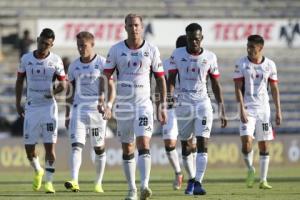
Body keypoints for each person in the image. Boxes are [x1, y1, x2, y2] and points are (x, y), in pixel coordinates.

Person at [102, 13, 167, 200]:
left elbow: (160, 79)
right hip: (123, 106)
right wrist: (104, 101)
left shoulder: (152, 50)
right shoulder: (115, 50)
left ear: (142, 26)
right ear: (125, 27)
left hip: (143, 105)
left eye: (137, 25)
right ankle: (132, 189)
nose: (134, 28)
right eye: (130, 25)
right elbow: (104, 76)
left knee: (144, 143)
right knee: (128, 148)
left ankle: (145, 185)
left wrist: (162, 105)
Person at [168, 23, 227, 196]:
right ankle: (192, 178)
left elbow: (215, 84)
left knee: (202, 142)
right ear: (186, 38)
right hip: (183, 105)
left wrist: (221, 107)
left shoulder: (210, 57)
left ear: (201, 38)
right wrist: (169, 98)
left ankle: (199, 182)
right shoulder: (177, 54)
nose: (194, 41)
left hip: (203, 104)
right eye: (190, 38)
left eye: (196, 38)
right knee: (186, 144)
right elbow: (171, 79)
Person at [15, 28, 66, 193]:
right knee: (29, 149)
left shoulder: (56, 60)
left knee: (50, 147)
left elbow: (64, 84)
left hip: (48, 108)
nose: (45, 46)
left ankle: (49, 183)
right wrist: (17, 102)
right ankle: (38, 170)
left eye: (48, 44)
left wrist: (53, 92)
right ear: (37, 40)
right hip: (31, 107)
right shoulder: (26, 59)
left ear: (52, 45)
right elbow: (19, 80)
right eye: (42, 42)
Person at [64, 31, 114, 193]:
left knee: (98, 148)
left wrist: (109, 106)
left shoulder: (102, 63)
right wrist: (67, 113)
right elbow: (69, 92)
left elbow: (112, 87)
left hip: (97, 111)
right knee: (76, 146)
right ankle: (74, 180)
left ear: (92, 45)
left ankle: (98, 183)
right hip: (79, 110)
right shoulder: (73, 66)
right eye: (78, 46)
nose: (80, 49)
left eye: (83, 46)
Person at [233, 34, 282, 189]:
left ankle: (263, 180)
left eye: (252, 47)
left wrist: (278, 110)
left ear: (260, 48)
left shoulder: (270, 65)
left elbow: (274, 88)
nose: (249, 49)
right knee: (246, 143)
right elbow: (238, 88)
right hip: (247, 108)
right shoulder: (241, 63)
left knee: (264, 145)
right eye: (248, 46)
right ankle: (250, 169)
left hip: (264, 110)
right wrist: (241, 108)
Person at [160, 35, 197, 191]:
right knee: (169, 143)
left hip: (189, 107)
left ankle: (193, 178)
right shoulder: (167, 64)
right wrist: (160, 104)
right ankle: (178, 172)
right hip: (171, 108)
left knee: (189, 144)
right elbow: (159, 84)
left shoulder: (195, 63)